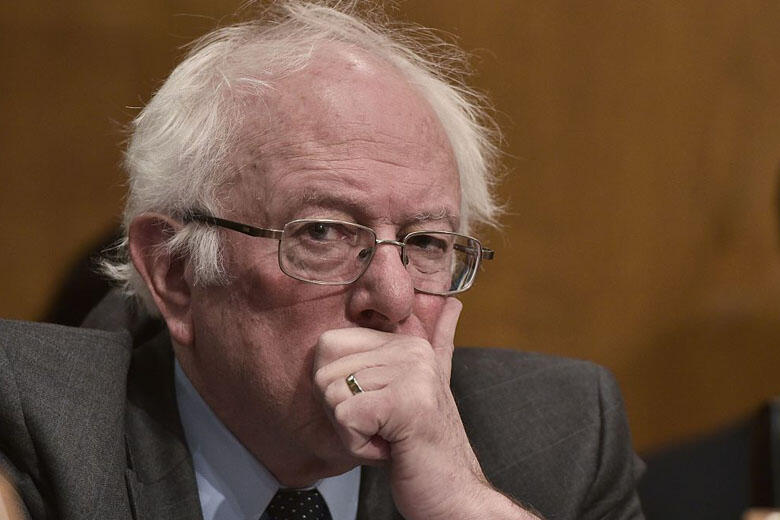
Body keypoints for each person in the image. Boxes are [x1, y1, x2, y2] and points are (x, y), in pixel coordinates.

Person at [0, 2, 644, 519]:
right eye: (324, 233)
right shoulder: (31, 417)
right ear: (176, 273)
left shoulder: (561, 436)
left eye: (425, 243)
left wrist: (462, 503)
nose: (391, 298)